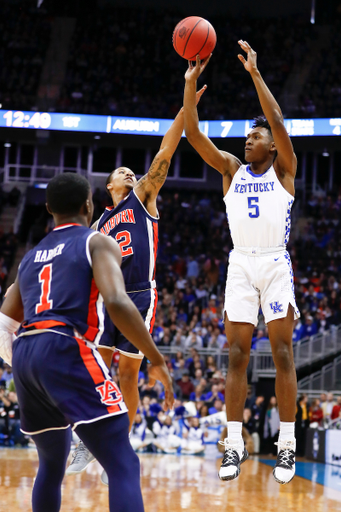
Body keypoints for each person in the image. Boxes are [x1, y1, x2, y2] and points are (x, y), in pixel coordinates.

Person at [0, 173, 174, 512]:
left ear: (49, 208)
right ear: (89, 205)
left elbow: (4, 323)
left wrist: (25, 363)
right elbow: (118, 302)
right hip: (64, 346)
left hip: (26, 356)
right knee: (123, 464)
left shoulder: (30, 255)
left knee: (51, 465)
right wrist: (156, 358)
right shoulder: (97, 241)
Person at [66, 86, 206, 478]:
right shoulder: (97, 224)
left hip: (140, 297)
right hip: (107, 301)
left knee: (128, 374)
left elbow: (165, 151)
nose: (129, 172)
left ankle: (116, 446)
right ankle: (88, 439)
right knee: (96, 367)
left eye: (131, 170)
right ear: (108, 185)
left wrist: (187, 101)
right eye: (120, 172)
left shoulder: (143, 196)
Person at [184, 40, 300, 485]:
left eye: (256, 136)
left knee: (284, 353)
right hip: (240, 265)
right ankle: (233, 444)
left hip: (274, 264)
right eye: (247, 136)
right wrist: (189, 93)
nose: (247, 139)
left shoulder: (283, 168)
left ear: (271, 146)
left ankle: (285, 447)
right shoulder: (231, 169)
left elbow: (277, 121)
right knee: (235, 355)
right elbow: (194, 137)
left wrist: (254, 74)